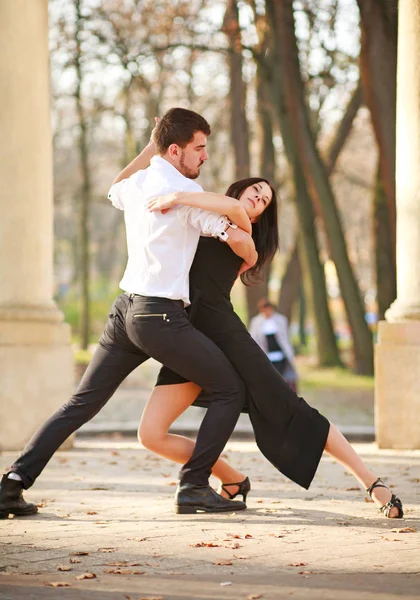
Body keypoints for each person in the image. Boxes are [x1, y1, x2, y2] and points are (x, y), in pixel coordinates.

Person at [0, 108, 258, 519]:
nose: (204, 157)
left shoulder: (140, 183)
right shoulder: (182, 196)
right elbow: (239, 224)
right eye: (199, 148)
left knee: (80, 403)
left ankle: (11, 484)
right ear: (176, 151)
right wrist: (224, 224)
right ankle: (193, 488)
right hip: (161, 316)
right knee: (229, 389)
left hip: (126, 312)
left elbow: (114, 187)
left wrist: (151, 148)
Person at [139, 177, 404, 519]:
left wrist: (175, 194)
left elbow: (231, 213)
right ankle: (232, 479)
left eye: (264, 201)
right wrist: (152, 150)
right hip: (187, 337)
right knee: (150, 434)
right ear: (240, 188)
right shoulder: (200, 219)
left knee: (294, 410)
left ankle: (372, 483)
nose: (259, 199)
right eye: (256, 191)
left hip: (225, 335)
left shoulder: (242, 230)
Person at [249, 298, 298, 392]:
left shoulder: (280, 319)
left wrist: (290, 353)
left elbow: (286, 338)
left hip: (281, 355)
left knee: (285, 378)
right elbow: (254, 339)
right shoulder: (256, 322)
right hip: (265, 355)